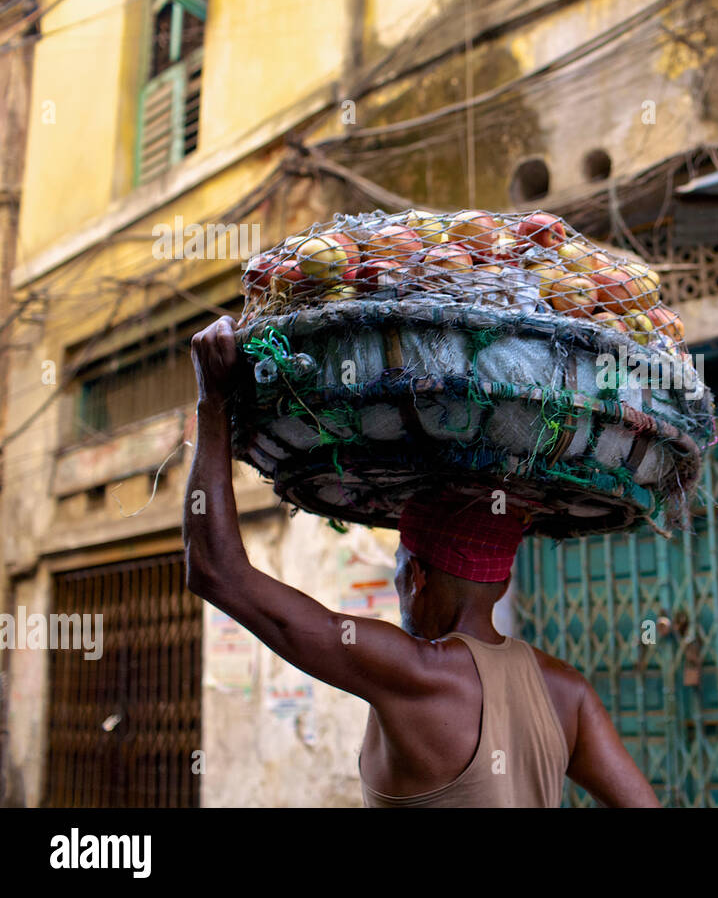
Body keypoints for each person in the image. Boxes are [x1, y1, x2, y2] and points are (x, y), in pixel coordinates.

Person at [184, 315, 659, 807]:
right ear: (502, 581)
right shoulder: (569, 693)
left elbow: (215, 570)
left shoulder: (411, 673)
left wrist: (211, 402)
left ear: (415, 575)